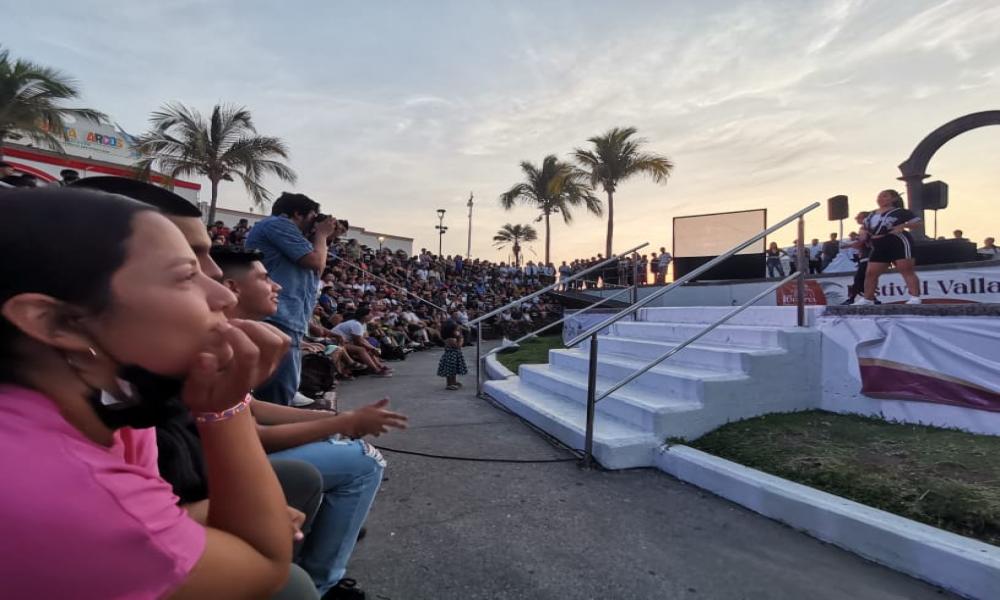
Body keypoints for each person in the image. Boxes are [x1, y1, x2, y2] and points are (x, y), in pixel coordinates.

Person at [0, 187, 302, 598]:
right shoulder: (61, 491)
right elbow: (264, 565)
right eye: (184, 276)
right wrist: (224, 410)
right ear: (57, 323)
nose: (223, 295)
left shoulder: (110, 404)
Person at [212, 246, 407, 598]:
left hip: (227, 462)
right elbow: (252, 436)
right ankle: (324, 582)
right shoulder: (216, 342)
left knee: (339, 443)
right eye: (264, 278)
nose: (278, 287)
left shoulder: (231, 333)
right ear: (233, 287)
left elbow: (251, 408)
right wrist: (341, 423)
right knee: (364, 460)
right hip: (215, 475)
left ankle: (323, 536)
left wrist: (333, 418)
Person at [246, 193, 342, 405]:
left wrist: (325, 236)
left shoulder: (288, 234)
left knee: (283, 391)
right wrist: (322, 235)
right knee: (277, 397)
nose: (315, 222)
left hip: (288, 318)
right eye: (313, 216)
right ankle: (273, 435)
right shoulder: (278, 224)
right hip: (277, 317)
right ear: (297, 214)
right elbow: (316, 262)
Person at [857, 190, 922, 305]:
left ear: (894, 199)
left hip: (897, 241)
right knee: (871, 273)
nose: (880, 199)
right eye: (879, 196)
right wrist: (862, 233)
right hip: (879, 244)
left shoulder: (900, 212)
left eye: (885, 196)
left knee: (905, 269)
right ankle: (868, 298)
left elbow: (917, 223)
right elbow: (864, 227)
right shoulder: (871, 214)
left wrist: (903, 225)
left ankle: (915, 297)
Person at [842, 212, 871, 305]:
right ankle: (856, 298)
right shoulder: (871, 228)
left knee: (859, 279)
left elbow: (861, 242)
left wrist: (848, 245)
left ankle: (865, 298)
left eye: (858, 217)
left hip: (868, 257)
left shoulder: (865, 228)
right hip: (866, 257)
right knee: (862, 279)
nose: (856, 219)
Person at [437, 317, 468, 390]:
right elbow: (458, 346)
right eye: (456, 330)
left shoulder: (452, 338)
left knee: (453, 371)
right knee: (450, 371)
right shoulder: (451, 339)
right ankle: (449, 384)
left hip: (454, 356)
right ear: (450, 331)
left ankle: (453, 382)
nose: (458, 331)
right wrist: (461, 338)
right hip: (451, 356)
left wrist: (459, 335)